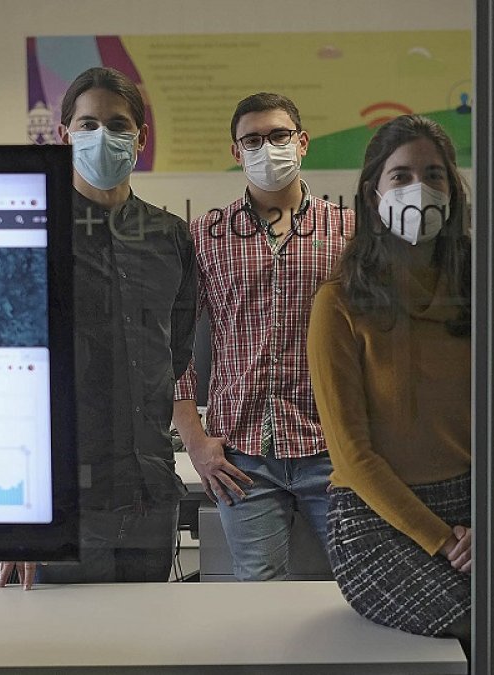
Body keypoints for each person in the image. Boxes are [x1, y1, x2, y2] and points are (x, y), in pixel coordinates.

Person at [308, 114, 494, 673]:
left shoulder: (474, 291)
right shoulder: (338, 302)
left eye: (434, 174)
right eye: (400, 175)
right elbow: (353, 459)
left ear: (454, 191)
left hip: (472, 517)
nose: (419, 190)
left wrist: (489, 526)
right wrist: (447, 542)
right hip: (378, 525)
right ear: (371, 193)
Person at [0, 67, 197, 588]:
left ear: (140, 138)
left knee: (149, 651)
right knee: (72, 654)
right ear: (65, 136)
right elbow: (6, 378)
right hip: (67, 501)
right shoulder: (34, 231)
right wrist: (21, 515)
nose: (102, 136)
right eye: (87, 125)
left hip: (150, 491)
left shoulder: (170, 236)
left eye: (117, 123)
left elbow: (173, 354)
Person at [171, 92, 354, 581]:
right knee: (259, 592)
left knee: (361, 586)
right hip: (241, 454)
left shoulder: (349, 232)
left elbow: (376, 344)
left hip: (330, 448)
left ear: (303, 143)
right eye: (252, 139)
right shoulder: (206, 235)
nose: (267, 148)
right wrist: (194, 441)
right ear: (236, 152)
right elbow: (175, 345)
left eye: (278, 136)